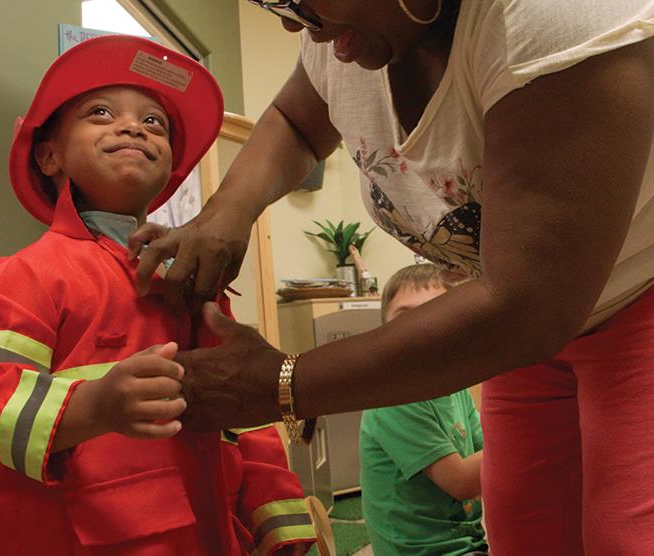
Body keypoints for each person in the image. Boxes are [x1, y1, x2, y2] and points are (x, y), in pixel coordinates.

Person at [127, 2, 654, 554]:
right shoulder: (338, 29)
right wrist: (225, 214)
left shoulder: (552, 15)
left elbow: (526, 305)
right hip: (528, 341)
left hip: (633, 301)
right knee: (526, 535)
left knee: (629, 536)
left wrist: (281, 383)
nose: (289, 21)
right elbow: (297, 121)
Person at [0, 35, 315, 556]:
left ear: (171, 167)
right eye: (101, 113)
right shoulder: (26, 276)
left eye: (154, 122)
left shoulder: (192, 285)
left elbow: (247, 408)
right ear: (49, 155)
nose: (132, 126)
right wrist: (93, 406)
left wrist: (281, 525)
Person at [359, 264, 485, 555]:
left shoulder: (455, 389)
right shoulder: (394, 397)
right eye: (407, 316)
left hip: (466, 543)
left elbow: (488, 453)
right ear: (383, 331)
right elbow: (463, 482)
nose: (422, 327)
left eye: (438, 314)